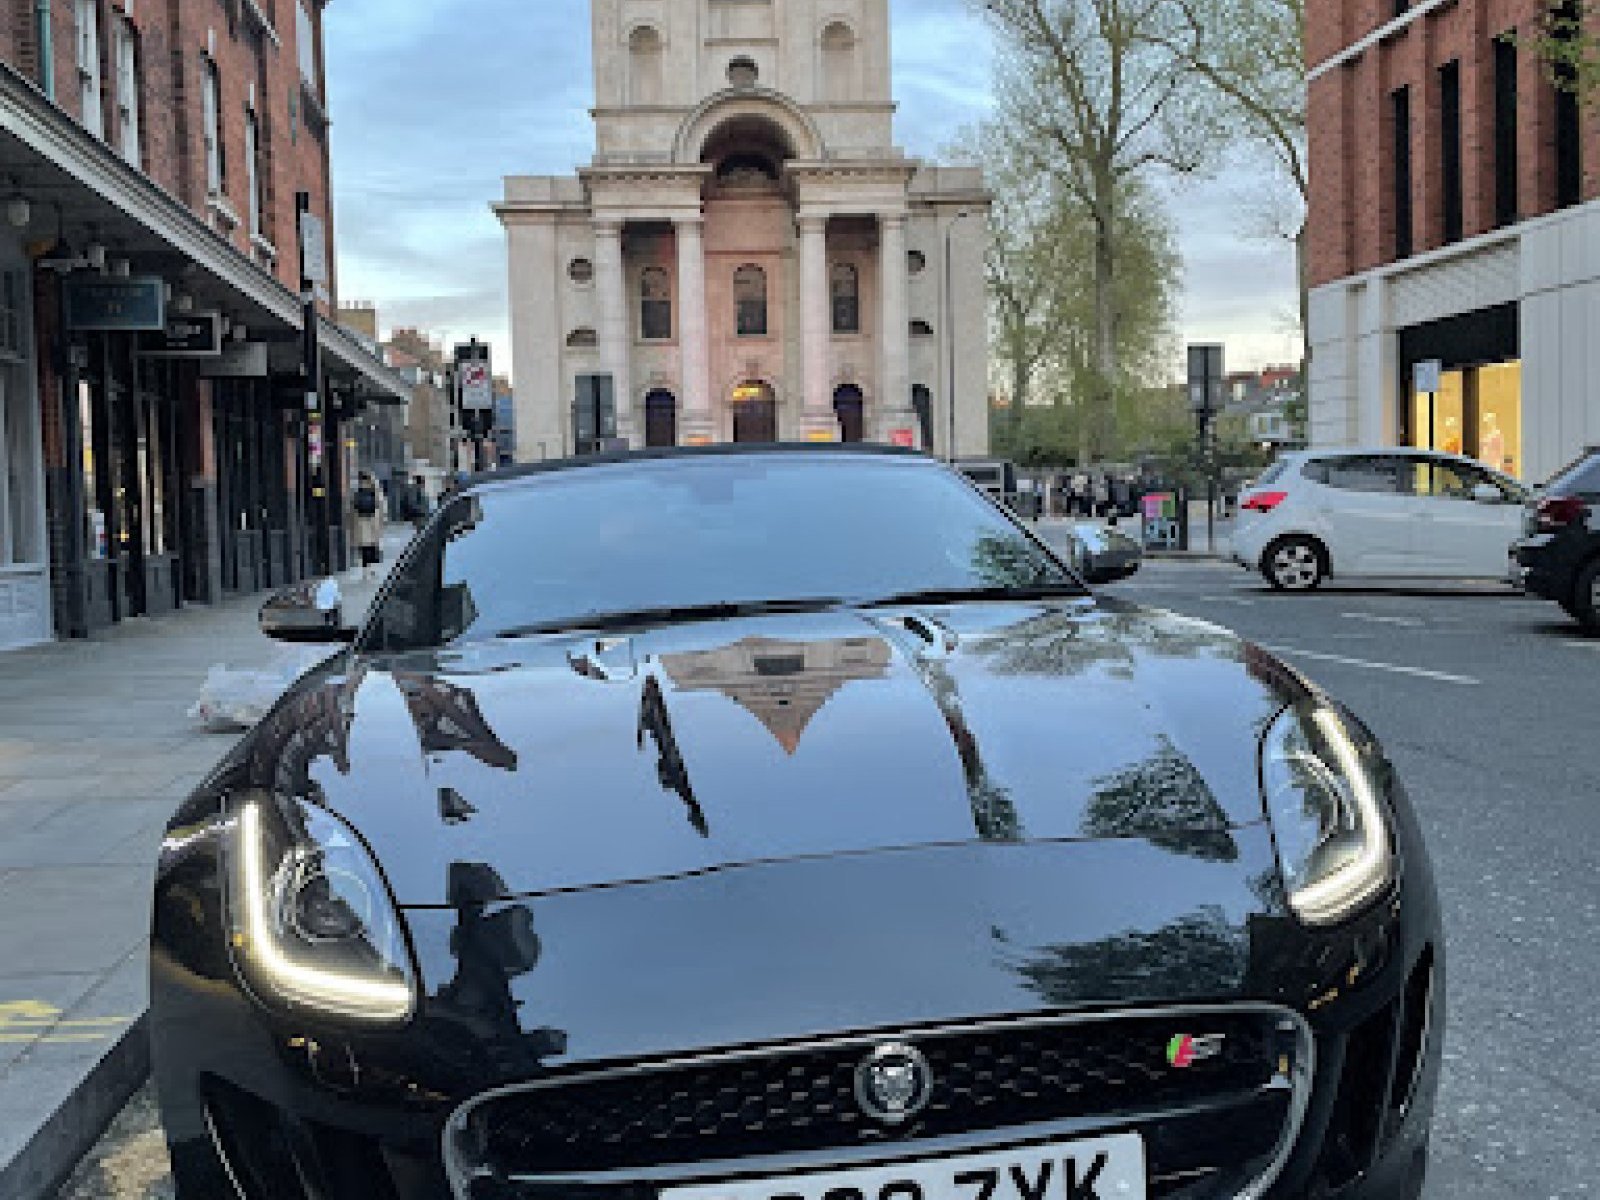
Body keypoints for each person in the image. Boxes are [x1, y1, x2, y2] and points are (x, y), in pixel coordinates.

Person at [351, 470, 386, 582]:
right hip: (371, 523)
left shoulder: (358, 492)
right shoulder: (375, 492)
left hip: (362, 523)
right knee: (370, 547)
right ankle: (368, 570)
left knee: (365, 547)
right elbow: (381, 508)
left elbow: (353, 508)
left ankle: (367, 570)